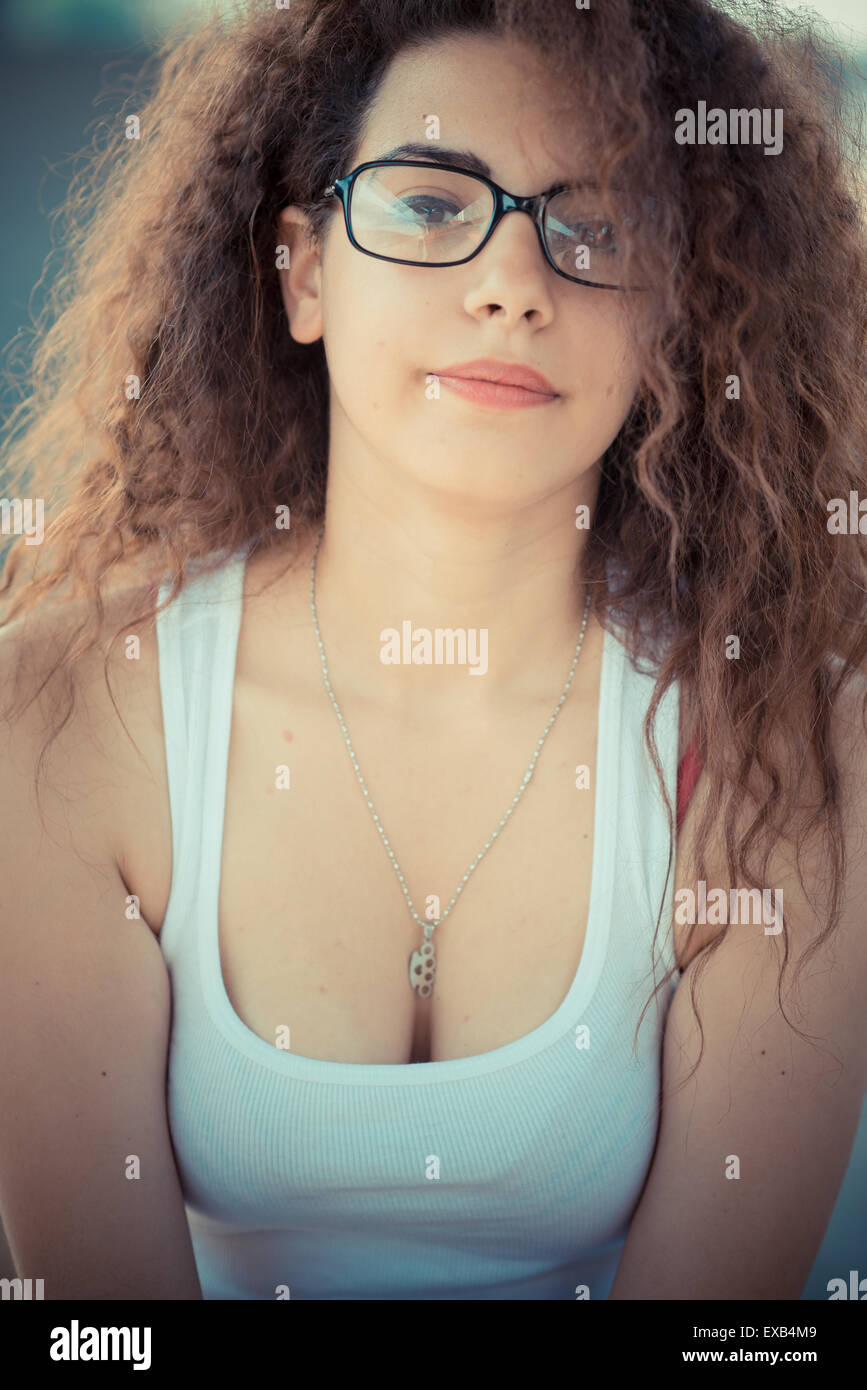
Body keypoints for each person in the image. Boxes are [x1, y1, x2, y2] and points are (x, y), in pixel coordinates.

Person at [0, 0, 865, 1302]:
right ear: (303, 274)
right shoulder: (63, 714)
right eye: (427, 203)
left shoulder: (791, 743)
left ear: (677, 317)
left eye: (596, 225)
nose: (513, 281)